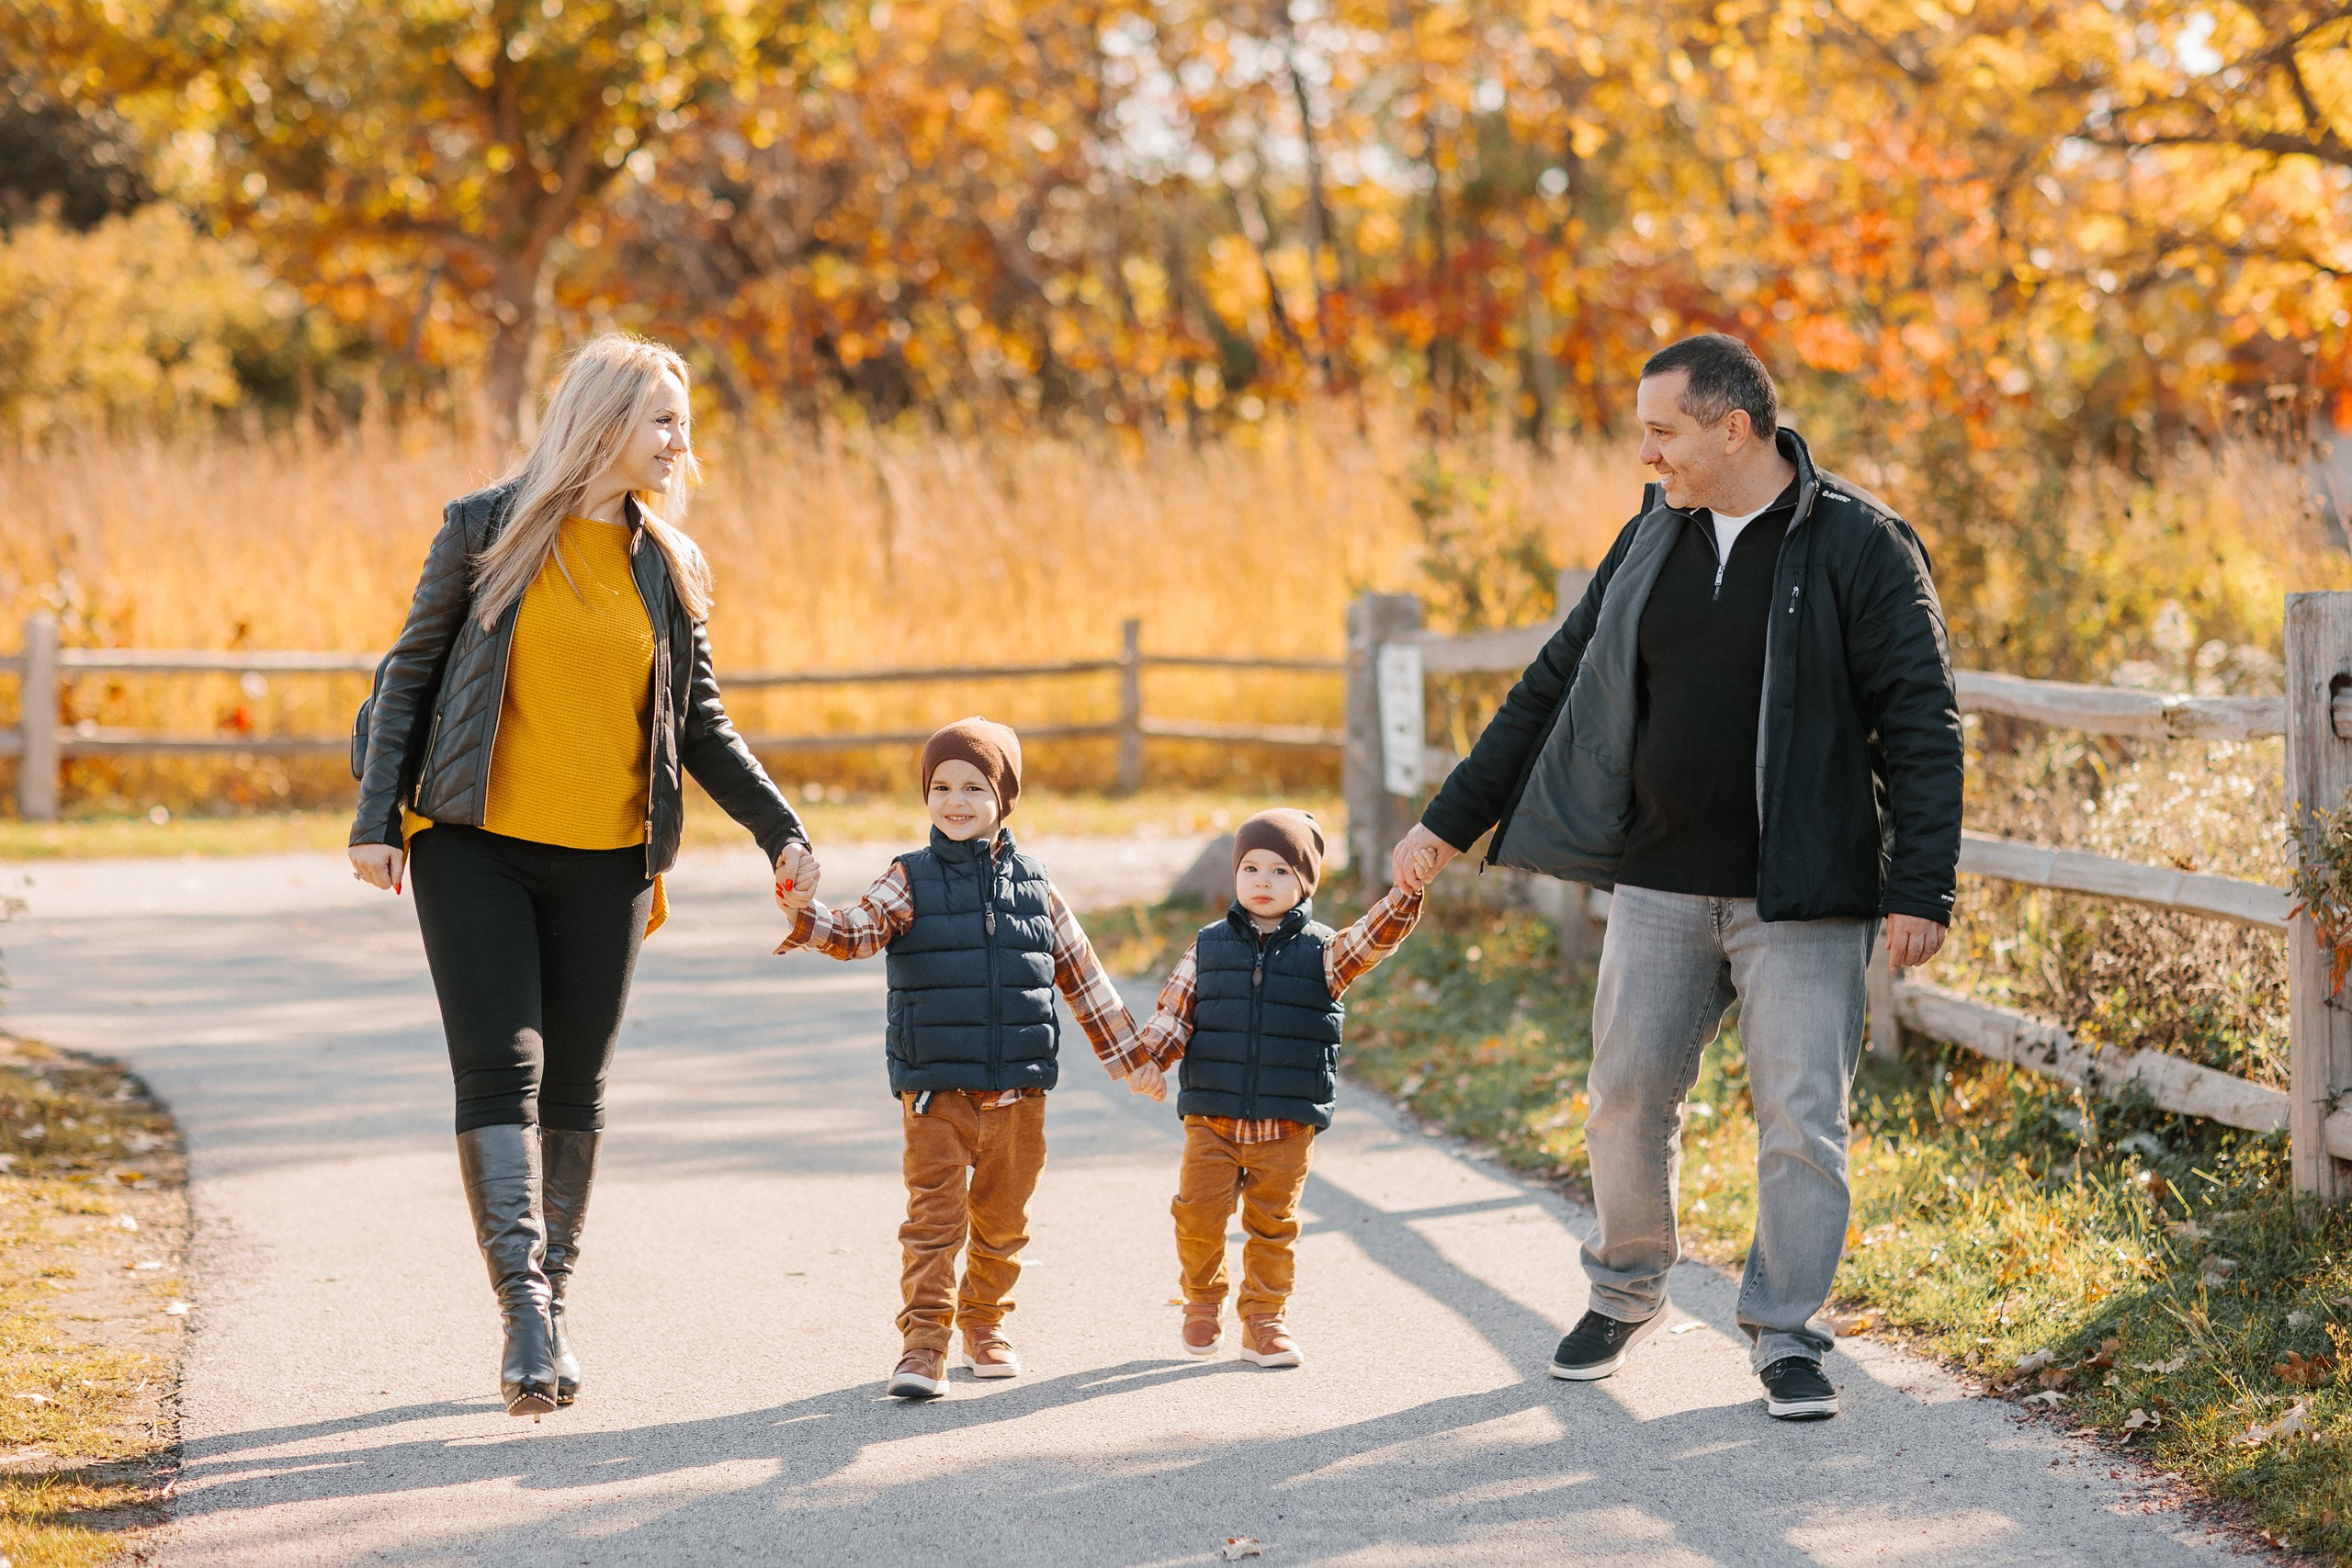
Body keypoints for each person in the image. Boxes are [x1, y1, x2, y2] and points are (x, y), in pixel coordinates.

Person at [1389, 333, 1962, 1421]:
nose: (1645, 453)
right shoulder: (1650, 538)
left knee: (1800, 1119)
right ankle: (1625, 1287)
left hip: (1805, 895)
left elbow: (1922, 722)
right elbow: (1551, 683)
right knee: (1624, 1097)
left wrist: (1920, 887)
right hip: (1657, 883)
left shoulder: (1859, 545)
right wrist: (1449, 821)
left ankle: (1784, 1334)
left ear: (1732, 427)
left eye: (1662, 431)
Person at [349, 333, 808, 1417]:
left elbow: (699, 724)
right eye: (661, 419)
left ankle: (552, 1301)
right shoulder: (486, 529)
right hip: (471, 843)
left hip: (608, 862)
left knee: (577, 1093)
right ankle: (526, 1318)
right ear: (602, 422)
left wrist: (777, 827)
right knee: (498, 1072)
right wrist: (375, 820)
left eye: (681, 421)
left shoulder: (666, 560)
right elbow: (409, 674)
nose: (678, 441)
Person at [772, 717, 1162, 1400]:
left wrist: (1133, 1058)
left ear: (1003, 798)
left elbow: (1085, 977)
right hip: (936, 1094)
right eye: (942, 786)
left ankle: (985, 1323)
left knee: (1004, 1223)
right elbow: (857, 931)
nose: (956, 800)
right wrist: (808, 914)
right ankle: (923, 1345)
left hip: (1019, 1096)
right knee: (933, 1223)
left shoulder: (1038, 885)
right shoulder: (908, 880)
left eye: (974, 787)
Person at [1126, 810, 1424, 1368]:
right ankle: (1202, 1301)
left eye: (1281, 871)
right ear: (1236, 874)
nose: (1263, 882)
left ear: (1305, 883)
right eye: (1251, 868)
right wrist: (1151, 1061)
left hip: (1285, 1124)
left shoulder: (1325, 953)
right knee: (1197, 1217)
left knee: (1273, 1227)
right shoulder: (1208, 947)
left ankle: (1264, 1320)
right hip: (1212, 1118)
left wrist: (1404, 895)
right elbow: (1173, 1013)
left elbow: (1373, 939)